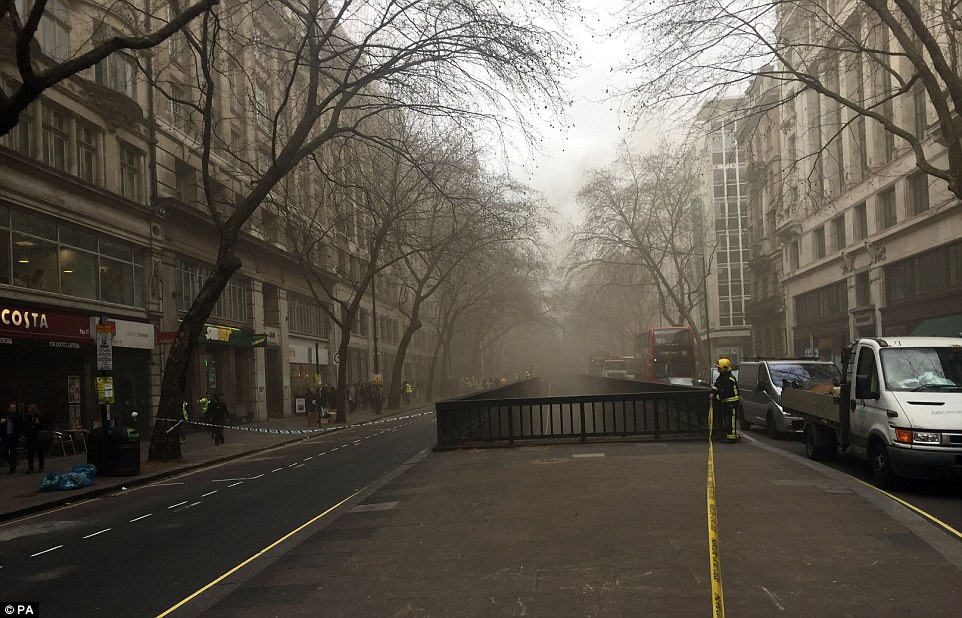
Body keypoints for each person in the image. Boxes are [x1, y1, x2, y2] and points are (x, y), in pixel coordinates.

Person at [711, 358, 740, 443]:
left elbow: (725, 392)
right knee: (727, 419)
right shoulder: (721, 377)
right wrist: (713, 392)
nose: (718, 369)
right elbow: (716, 386)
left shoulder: (730, 379)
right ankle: (728, 435)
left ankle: (732, 438)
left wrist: (716, 398)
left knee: (732, 420)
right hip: (726, 402)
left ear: (724, 368)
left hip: (732, 403)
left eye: (719, 368)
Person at [24, 404, 49, 474]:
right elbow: (26, 426)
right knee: (30, 453)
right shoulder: (28, 417)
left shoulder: (39, 417)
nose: (29, 413)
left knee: (39, 452)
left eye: (30, 411)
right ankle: (30, 468)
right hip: (30, 437)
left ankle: (41, 467)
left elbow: (44, 426)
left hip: (37, 437)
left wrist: (37, 424)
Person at [2, 401, 24, 474]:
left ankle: (12, 468)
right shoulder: (4, 415)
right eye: (12, 408)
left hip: (14, 436)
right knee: (4, 451)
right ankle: (13, 462)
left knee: (13, 452)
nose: (14, 409)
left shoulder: (17, 415)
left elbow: (20, 425)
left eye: (14, 408)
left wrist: (19, 434)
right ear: (8, 408)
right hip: (6, 435)